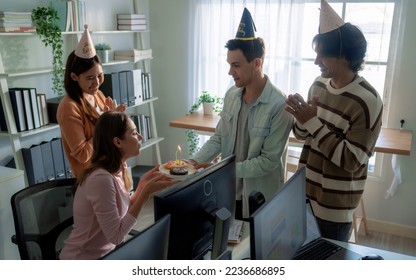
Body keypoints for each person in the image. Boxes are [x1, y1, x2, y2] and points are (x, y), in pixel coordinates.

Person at [285, 0, 383, 242]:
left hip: (334, 210)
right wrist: (302, 119)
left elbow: (350, 161)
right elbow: (303, 135)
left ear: (343, 56)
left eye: (322, 55)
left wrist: (314, 123)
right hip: (304, 196)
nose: (317, 61)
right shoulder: (317, 85)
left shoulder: (367, 101)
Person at [188, 8, 293, 220]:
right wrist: (192, 162)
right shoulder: (231, 96)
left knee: (255, 251)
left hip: (259, 198)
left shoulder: (279, 104)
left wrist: (223, 170)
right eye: (229, 64)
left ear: (256, 64)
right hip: (227, 192)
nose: (230, 72)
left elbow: (268, 161)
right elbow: (219, 138)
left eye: (236, 65)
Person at [59, 111, 177, 259]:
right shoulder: (101, 179)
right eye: (134, 133)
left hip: (108, 255)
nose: (140, 137)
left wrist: (142, 186)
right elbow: (116, 236)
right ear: (117, 142)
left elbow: (123, 210)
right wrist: (145, 194)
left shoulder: (119, 168)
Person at [57, 24, 126, 178]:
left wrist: (115, 119)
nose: (96, 83)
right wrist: (105, 122)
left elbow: (110, 137)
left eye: (100, 75)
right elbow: (82, 155)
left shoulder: (98, 95)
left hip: (112, 170)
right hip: (92, 178)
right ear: (74, 77)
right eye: (89, 78)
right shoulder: (69, 107)